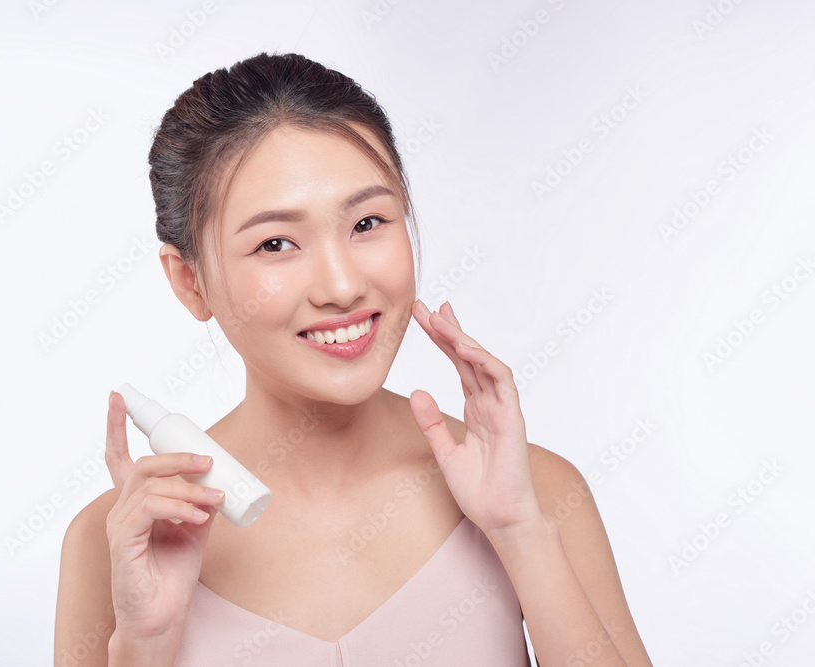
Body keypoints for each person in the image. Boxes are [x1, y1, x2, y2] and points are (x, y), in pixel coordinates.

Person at [54, 51, 653, 666]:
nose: (341, 285)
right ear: (190, 281)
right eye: (276, 243)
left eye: (367, 222)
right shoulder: (118, 542)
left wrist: (521, 533)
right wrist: (144, 646)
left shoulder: (537, 491)